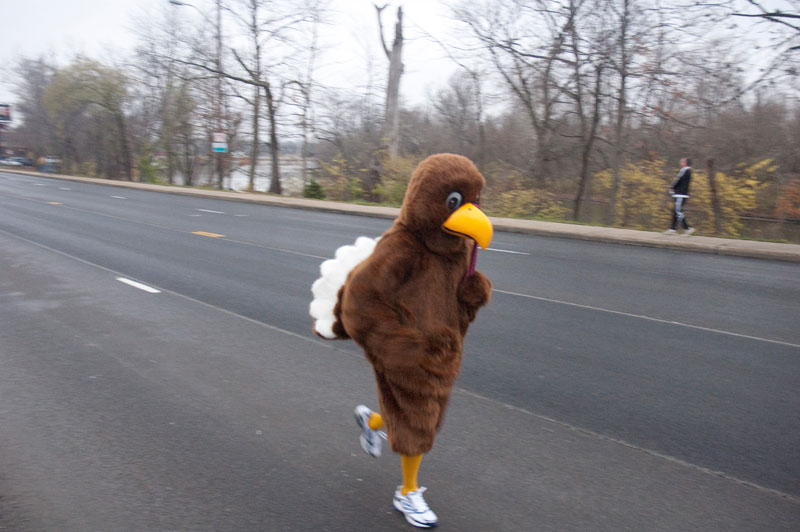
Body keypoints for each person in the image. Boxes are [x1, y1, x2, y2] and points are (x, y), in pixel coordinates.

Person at [666, 157, 695, 235]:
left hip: (680, 194)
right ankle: (672, 229)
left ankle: (688, 228)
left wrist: (672, 187)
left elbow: (678, 180)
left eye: (682, 162)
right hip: (681, 194)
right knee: (675, 210)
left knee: (678, 211)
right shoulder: (688, 171)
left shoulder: (684, 170)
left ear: (685, 163)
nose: (680, 163)